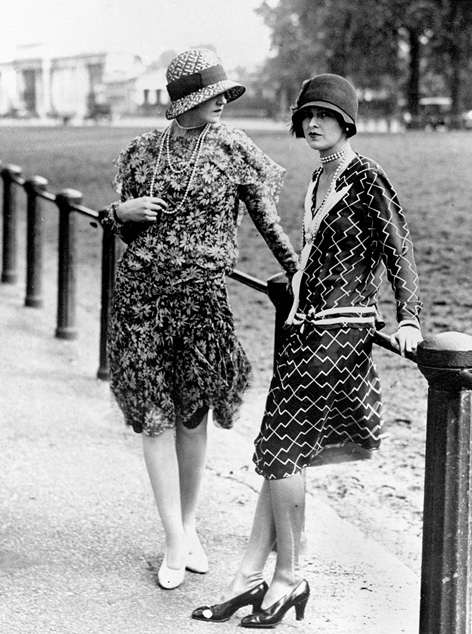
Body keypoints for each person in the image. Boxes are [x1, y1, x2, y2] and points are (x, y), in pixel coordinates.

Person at [191, 74, 422, 627]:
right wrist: (293, 283)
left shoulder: (367, 177)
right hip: (304, 328)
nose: (312, 124)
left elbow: (400, 250)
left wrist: (410, 319)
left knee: (279, 449)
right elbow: (318, 255)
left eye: (324, 115)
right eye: (306, 117)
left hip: (340, 335)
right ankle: (251, 574)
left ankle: (289, 577)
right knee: (278, 452)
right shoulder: (319, 175)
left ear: (347, 122)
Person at [98, 48, 298, 591]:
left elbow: (268, 223)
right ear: (188, 100)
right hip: (141, 299)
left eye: (224, 95)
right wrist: (124, 213)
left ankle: (189, 525)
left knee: (192, 417)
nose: (222, 104)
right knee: (156, 419)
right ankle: (171, 537)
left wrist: (298, 272)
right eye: (212, 96)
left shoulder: (235, 148)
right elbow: (116, 224)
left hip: (202, 300)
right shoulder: (142, 151)